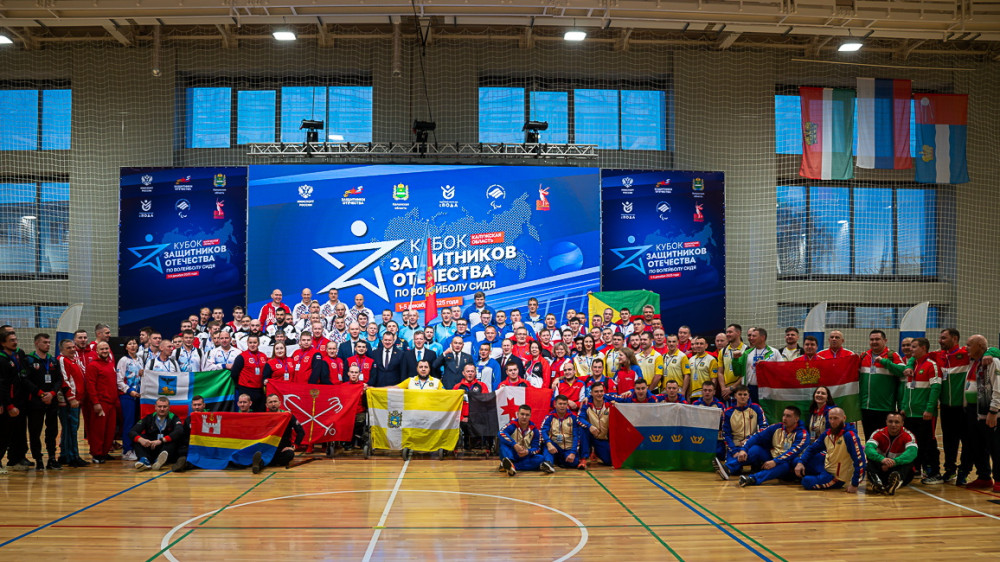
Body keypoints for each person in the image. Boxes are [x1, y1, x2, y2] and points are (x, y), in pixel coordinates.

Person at [900, 337, 943, 484]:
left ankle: (934, 473)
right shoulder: (912, 365)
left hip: (924, 414)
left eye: (914, 347)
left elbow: (935, 389)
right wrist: (904, 407)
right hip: (910, 414)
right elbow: (908, 389)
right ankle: (916, 469)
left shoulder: (932, 365)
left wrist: (930, 409)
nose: (910, 349)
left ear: (923, 348)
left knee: (928, 444)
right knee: (912, 443)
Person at [733, 406, 809, 487]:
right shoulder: (777, 427)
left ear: (796, 419)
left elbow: (792, 452)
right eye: (784, 415)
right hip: (774, 457)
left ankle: (752, 479)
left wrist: (775, 461)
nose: (784, 418)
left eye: (788, 416)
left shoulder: (803, 434)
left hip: (789, 464)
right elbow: (757, 436)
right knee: (756, 449)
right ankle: (728, 467)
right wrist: (743, 449)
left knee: (784, 465)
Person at [962, 335, 1000, 491]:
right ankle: (984, 477)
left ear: (980, 346)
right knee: (977, 445)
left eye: (969, 345)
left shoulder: (993, 361)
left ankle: (999, 480)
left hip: (989, 411)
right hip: (973, 410)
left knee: (995, 446)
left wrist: (993, 410)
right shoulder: (973, 361)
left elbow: (998, 387)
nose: (966, 348)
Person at [794, 407, 865, 492]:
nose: (832, 421)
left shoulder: (849, 436)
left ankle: (814, 477)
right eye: (830, 418)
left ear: (844, 418)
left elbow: (860, 460)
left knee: (806, 481)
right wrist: (801, 462)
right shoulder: (827, 433)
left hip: (837, 477)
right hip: (826, 467)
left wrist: (855, 484)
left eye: (835, 418)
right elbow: (812, 449)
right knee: (796, 461)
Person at [934, 328, 971, 483]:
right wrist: (909, 364)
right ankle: (949, 470)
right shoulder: (938, 355)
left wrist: (990, 354)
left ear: (955, 338)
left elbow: (990, 350)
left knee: (967, 441)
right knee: (949, 441)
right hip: (945, 408)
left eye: (944, 338)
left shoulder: (966, 353)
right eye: (940, 338)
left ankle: (964, 471)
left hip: (963, 408)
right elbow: (916, 356)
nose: (940, 341)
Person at [24, 333, 63, 470]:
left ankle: (52, 458)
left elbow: (59, 379)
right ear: (37, 343)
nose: (48, 345)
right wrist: (40, 394)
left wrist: (52, 393)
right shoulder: (29, 360)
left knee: (52, 431)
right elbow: (25, 380)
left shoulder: (53, 361)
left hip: (51, 401)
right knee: (35, 431)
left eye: (49, 342)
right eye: (45, 342)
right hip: (35, 401)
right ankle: (38, 459)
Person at [859, 329, 904, 440]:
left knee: (884, 440)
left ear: (885, 340)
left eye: (877, 339)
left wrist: (885, 362)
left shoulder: (892, 355)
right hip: (866, 407)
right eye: (872, 339)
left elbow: (903, 371)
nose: (874, 342)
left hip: (885, 408)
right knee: (869, 439)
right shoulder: (864, 356)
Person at [865, 411, 918, 495]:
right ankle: (877, 483)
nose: (893, 425)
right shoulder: (878, 433)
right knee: (870, 461)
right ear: (886, 422)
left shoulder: (908, 435)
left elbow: (912, 453)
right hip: (882, 467)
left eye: (897, 422)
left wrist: (894, 462)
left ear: (902, 423)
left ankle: (896, 480)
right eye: (890, 421)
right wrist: (882, 459)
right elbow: (868, 448)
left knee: (909, 462)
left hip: (899, 468)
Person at [85, 342, 120, 463]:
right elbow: (90, 385)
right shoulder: (93, 366)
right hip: (101, 403)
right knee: (98, 430)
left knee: (109, 431)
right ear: (97, 351)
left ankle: (104, 452)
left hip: (112, 403)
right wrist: (96, 403)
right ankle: (97, 454)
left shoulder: (110, 364)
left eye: (106, 348)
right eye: (102, 349)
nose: (105, 351)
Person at [720, 385, 768, 471]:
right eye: (740, 394)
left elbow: (764, 428)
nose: (743, 397)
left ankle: (729, 467)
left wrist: (749, 439)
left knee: (755, 452)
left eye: (745, 394)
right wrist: (734, 451)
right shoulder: (728, 412)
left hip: (752, 445)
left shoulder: (756, 408)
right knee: (735, 471)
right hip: (736, 446)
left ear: (749, 396)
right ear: (735, 396)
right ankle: (732, 466)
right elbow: (726, 435)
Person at [129, 396, 184, 470]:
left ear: (169, 408)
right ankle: (144, 460)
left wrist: (161, 440)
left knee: (174, 439)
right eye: (159, 406)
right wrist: (141, 440)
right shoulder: (148, 418)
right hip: (151, 447)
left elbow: (179, 431)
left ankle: (159, 461)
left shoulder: (174, 418)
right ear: (155, 407)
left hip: (166, 449)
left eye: (165, 407)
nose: (162, 409)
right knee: (138, 438)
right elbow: (132, 432)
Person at [56, 339, 88, 467]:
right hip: (69, 402)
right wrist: (71, 398)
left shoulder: (74, 360)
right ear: (61, 350)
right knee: (71, 429)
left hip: (77, 400)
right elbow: (64, 380)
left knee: (70, 428)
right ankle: (73, 457)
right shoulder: (62, 360)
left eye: (73, 347)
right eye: (68, 348)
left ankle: (65, 455)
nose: (72, 350)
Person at [255, 394, 305, 473]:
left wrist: (294, 446)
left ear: (280, 403)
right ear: (266, 405)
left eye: (275, 401)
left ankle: (263, 463)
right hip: (268, 448)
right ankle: (264, 463)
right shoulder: (263, 417)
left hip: (282, 449)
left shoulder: (288, 416)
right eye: (270, 402)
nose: (273, 404)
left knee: (290, 454)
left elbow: (301, 432)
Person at [541, 395, 591, 470]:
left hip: (568, 448)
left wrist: (573, 452)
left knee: (574, 462)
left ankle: (559, 461)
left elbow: (576, 436)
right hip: (554, 446)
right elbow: (543, 431)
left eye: (564, 404)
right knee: (546, 445)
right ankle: (549, 463)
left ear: (567, 405)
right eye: (560, 404)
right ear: (555, 404)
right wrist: (549, 444)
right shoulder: (549, 417)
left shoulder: (573, 418)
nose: (562, 406)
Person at [731, 327, 780, 403]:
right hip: (750, 388)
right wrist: (735, 360)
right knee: (751, 409)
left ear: (762, 337)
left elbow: (781, 369)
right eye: (750, 336)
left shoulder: (774, 352)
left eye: (754, 336)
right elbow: (737, 372)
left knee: (764, 409)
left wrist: (767, 365)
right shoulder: (747, 353)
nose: (751, 338)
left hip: (767, 388)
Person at [498, 404, 548, 475]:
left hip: (524, 455)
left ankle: (511, 466)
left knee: (541, 458)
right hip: (511, 453)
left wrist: (527, 452)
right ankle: (510, 462)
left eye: (527, 415)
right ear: (517, 414)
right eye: (522, 414)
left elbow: (537, 448)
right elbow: (501, 433)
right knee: (503, 444)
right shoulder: (512, 425)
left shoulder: (534, 430)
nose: (524, 417)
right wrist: (514, 445)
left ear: (530, 416)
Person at [115, 337, 143, 462]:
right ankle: (127, 450)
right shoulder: (123, 360)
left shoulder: (140, 359)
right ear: (126, 347)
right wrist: (129, 391)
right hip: (127, 396)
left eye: (134, 343)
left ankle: (135, 448)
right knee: (128, 423)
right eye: (130, 344)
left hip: (138, 396)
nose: (132, 346)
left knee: (137, 423)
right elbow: (119, 380)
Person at [453, 363, 491, 450]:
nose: (470, 373)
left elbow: (485, 404)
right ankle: (467, 443)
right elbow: (454, 406)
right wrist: (461, 418)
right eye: (468, 371)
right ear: (463, 373)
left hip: (478, 417)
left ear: (475, 373)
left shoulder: (482, 386)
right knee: (465, 425)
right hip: (463, 418)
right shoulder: (457, 387)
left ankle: (479, 444)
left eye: (472, 371)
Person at [230, 335, 270, 411]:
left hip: (260, 390)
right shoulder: (241, 357)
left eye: (255, 342)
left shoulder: (263, 356)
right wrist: (241, 386)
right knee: (247, 413)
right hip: (246, 390)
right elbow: (234, 374)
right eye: (250, 342)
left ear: (258, 343)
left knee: (260, 412)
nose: (252, 345)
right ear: (247, 343)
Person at [170, 395, 206, 472]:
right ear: (191, 406)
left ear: (204, 405)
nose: (197, 407)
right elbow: (184, 436)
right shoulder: (188, 419)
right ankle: (184, 462)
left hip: (206, 446)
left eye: (199, 405)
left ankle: (186, 464)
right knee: (180, 450)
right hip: (192, 446)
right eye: (194, 405)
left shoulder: (211, 417)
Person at [579, 382, 612, 465]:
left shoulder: (610, 402)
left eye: (601, 391)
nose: (599, 394)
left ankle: (596, 452)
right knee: (583, 428)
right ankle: (584, 458)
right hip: (590, 435)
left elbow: (626, 398)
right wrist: (589, 426)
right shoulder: (586, 405)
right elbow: (579, 419)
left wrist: (631, 390)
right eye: (596, 391)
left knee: (609, 461)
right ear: (591, 393)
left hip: (602, 438)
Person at [686, 336, 720, 400]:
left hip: (706, 395)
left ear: (706, 346)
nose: (698, 346)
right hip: (693, 395)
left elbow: (714, 379)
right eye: (697, 344)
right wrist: (688, 395)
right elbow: (689, 379)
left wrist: (711, 393)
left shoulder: (711, 360)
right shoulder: (690, 360)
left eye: (701, 344)